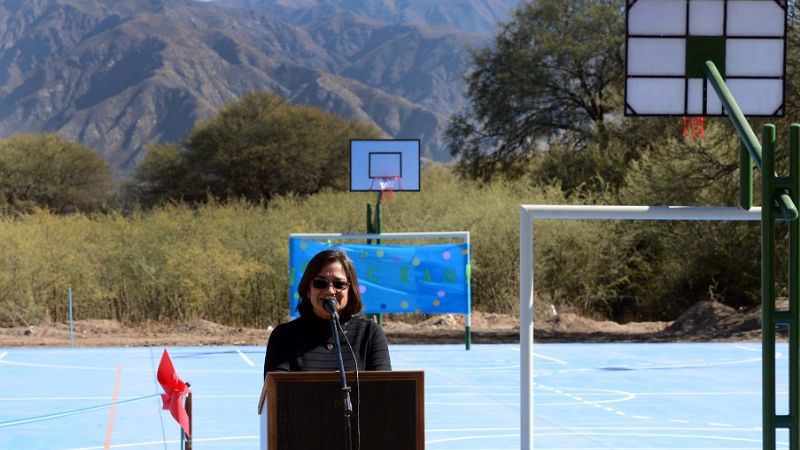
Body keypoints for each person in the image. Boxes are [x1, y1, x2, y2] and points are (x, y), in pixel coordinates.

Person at [263, 248, 392, 378]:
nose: (330, 291)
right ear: (308, 290)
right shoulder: (284, 336)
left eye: (339, 284)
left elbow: (383, 391)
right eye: (320, 283)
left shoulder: (370, 334)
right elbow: (278, 392)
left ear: (350, 290)